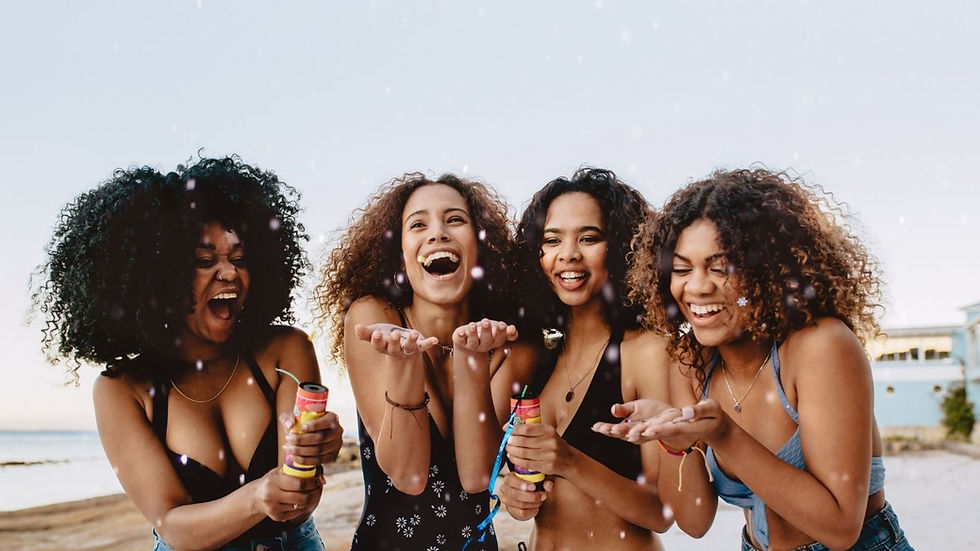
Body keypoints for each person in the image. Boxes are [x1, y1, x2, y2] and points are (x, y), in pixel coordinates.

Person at [594, 168, 914, 550]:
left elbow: (840, 527)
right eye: (681, 269)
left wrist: (723, 434)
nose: (696, 286)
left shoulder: (820, 346)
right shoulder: (691, 362)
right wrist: (675, 443)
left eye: (720, 267)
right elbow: (694, 522)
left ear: (769, 272)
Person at [35, 157, 344, 550]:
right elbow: (173, 526)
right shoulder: (122, 389)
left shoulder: (286, 349)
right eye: (204, 261)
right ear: (157, 277)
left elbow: (298, 501)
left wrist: (313, 461)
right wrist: (256, 498)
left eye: (239, 258)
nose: (229, 273)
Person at [316, 172, 530, 551]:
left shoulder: (507, 341)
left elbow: (477, 477)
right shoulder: (373, 317)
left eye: (455, 220)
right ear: (400, 254)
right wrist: (404, 364)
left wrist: (471, 361)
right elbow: (409, 475)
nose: (437, 234)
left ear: (482, 247)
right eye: (418, 224)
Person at [497, 168, 672, 550]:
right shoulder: (538, 358)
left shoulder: (645, 352)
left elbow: (663, 511)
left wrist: (571, 462)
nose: (568, 254)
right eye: (552, 240)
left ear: (623, 248)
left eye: (589, 238)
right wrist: (513, 494)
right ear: (536, 256)